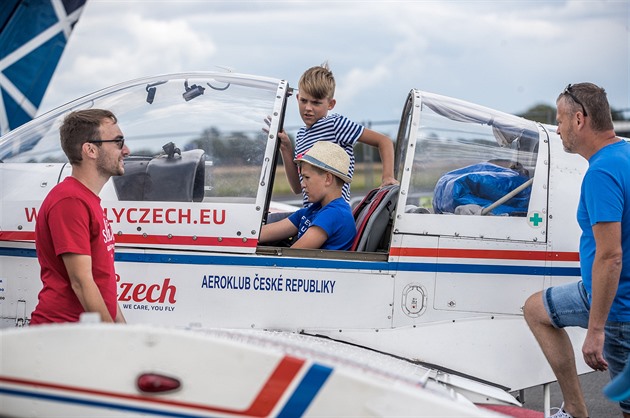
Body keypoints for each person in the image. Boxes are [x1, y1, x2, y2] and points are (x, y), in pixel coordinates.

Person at [523, 83, 630, 418]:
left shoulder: (601, 173)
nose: (558, 128)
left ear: (580, 120)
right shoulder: (625, 153)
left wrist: (596, 330)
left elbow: (610, 256)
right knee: (536, 309)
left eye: (560, 119)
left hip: (615, 308)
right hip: (608, 296)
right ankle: (574, 408)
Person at [30, 109, 130, 325]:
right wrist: (115, 339)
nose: (127, 150)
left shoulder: (87, 200)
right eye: (118, 142)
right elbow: (81, 282)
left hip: (83, 336)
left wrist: (126, 336)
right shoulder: (70, 201)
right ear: (91, 150)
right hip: (64, 337)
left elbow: (103, 287)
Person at [278, 62, 398, 206]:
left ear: (331, 104)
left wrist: (387, 177)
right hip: (311, 214)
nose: (308, 108)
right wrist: (286, 148)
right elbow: (298, 188)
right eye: (304, 101)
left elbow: (384, 141)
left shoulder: (336, 124)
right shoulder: (301, 135)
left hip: (332, 212)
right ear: (297, 98)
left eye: (316, 103)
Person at [260, 141, 356, 250]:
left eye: (307, 177)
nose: (302, 184)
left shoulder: (334, 214)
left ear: (328, 179)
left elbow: (292, 257)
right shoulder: (314, 210)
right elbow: (262, 234)